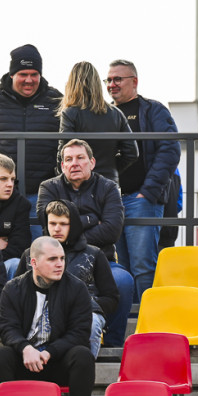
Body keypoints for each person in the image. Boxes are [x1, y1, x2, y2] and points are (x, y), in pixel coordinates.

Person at [0, 237, 95, 396]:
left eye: (62, 258)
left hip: (57, 361)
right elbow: (7, 329)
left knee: (83, 356)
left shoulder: (76, 288)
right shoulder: (13, 288)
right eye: (52, 259)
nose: (60, 264)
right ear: (34, 262)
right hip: (24, 360)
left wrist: (50, 352)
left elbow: (79, 332)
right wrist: (25, 348)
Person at [36, 138, 133, 346]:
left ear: (92, 162)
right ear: (62, 166)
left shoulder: (108, 188)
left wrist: (70, 229)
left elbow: (112, 230)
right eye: (68, 159)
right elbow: (47, 224)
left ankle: (113, 344)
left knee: (124, 281)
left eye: (80, 158)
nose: (74, 163)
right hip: (58, 260)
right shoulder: (49, 187)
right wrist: (89, 220)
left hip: (102, 261)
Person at [105, 60, 182, 299]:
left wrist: (147, 192)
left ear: (134, 81)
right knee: (122, 268)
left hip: (142, 200)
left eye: (118, 79)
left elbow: (170, 151)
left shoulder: (152, 110)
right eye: (108, 80)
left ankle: (146, 323)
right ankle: (127, 322)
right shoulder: (105, 114)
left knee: (143, 266)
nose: (111, 85)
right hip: (113, 202)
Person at [0, 44, 63, 209]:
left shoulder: (56, 100)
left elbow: (69, 143)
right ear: (12, 74)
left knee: (42, 236)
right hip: (0, 196)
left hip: (44, 196)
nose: (29, 80)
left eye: (34, 74)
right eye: (23, 74)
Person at [16, 200, 119, 358]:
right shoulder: (30, 255)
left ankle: (84, 367)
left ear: (74, 225)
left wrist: (81, 305)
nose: (57, 229)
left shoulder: (94, 254)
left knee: (90, 322)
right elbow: (17, 293)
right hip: (39, 310)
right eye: (52, 223)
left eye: (63, 223)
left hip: (83, 312)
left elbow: (111, 298)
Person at [58, 60, 138, 182]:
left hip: (80, 184)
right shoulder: (116, 113)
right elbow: (132, 153)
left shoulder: (70, 113)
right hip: (110, 182)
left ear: (72, 84)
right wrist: (112, 168)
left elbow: (64, 152)